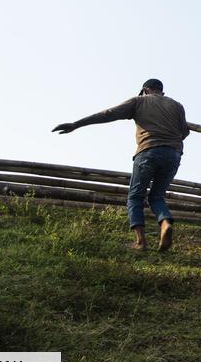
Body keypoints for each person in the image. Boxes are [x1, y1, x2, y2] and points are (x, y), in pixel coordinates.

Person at [52, 78, 190, 252]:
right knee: (157, 196)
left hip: (148, 151)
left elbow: (108, 114)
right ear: (161, 91)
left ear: (146, 90)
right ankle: (165, 223)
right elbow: (184, 132)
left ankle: (141, 242)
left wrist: (76, 124)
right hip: (173, 154)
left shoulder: (139, 101)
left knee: (135, 197)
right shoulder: (177, 106)